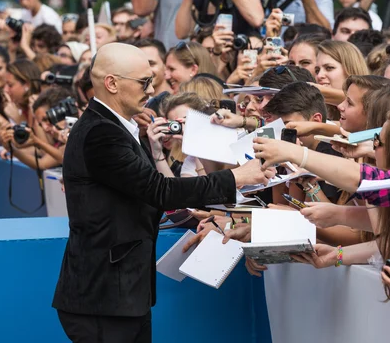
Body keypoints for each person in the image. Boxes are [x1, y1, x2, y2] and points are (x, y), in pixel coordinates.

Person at [52, 42, 271, 342]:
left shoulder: (113, 127)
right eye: (144, 82)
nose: (152, 88)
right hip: (104, 297)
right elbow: (159, 190)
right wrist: (235, 178)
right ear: (112, 83)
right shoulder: (101, 133)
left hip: (119, 293)